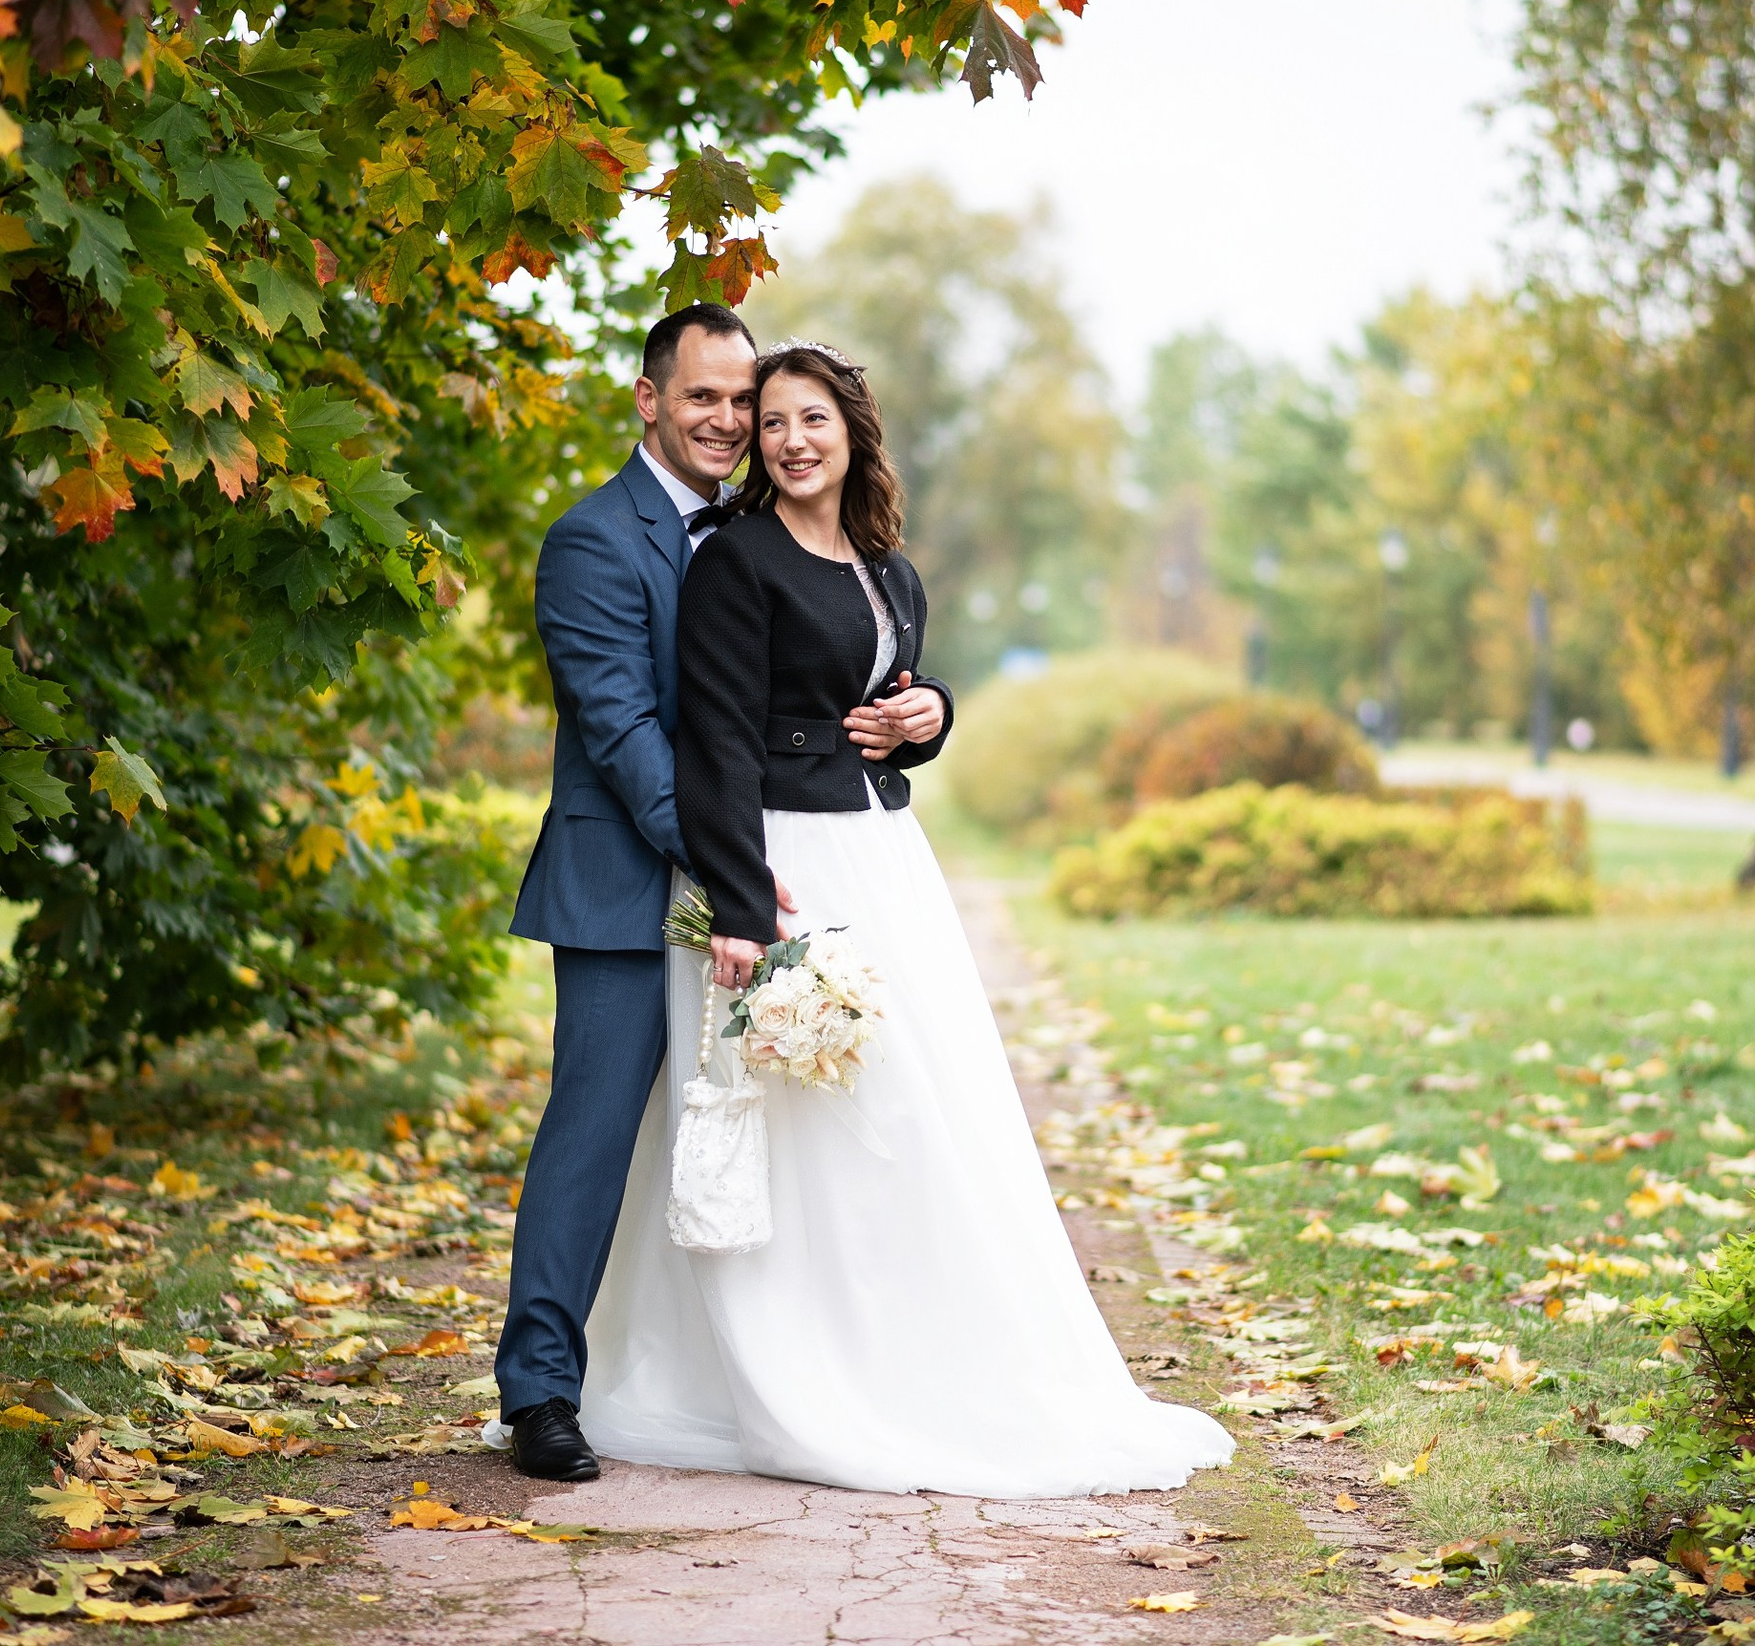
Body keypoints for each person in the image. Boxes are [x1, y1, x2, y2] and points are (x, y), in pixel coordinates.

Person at [575, 343, 1234, 1497]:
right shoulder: (739, 562)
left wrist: (929, 716)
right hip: (784, 869)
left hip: (885, 858)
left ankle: (929, 1360)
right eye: (770, 422)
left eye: (809, 419)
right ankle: (805, 1369)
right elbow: (717, 742)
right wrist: (739, 908)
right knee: (815, 1123)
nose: (787, 440)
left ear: (852, 431)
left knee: (919, 1112)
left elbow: (893, 699)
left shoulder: (888, 568)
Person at [493, 303, 802, 1482]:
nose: (727, 421)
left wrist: (923, 714)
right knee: (595, 1135)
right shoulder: (592, 541)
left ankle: (756, 1380)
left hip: (761, 880)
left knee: (782, 1131)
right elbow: (623, 738)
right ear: (648, 400)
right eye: (703, 397)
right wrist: (731, 876)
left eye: (741, 398)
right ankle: (539, 1393)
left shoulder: (769, 526)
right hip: (628, 884)